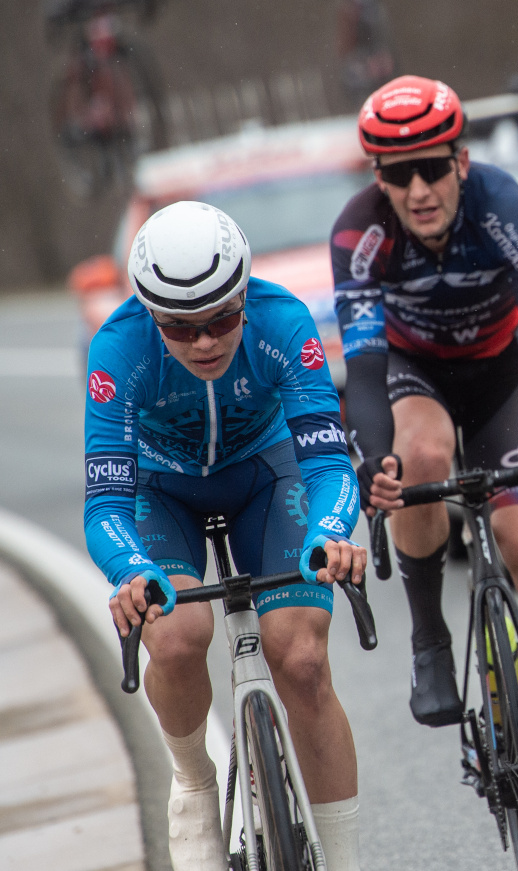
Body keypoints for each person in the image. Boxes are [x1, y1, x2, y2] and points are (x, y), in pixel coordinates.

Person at [330, 74, 518, 862]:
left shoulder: (502, 204)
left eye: (431, 168)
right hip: (413, 379)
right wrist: (373, 457)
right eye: (397, 175)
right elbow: (361, 372)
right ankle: (428, 633)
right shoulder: (359, 232)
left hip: (501, 379)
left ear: (461, 161)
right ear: (377, 179)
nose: (418, 190)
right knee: (417, 455)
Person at [87, 201, 368, 871]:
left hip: (265, 477)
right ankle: (193, 783)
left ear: (243, 296)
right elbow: (105, 503)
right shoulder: (118, 349)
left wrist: (332, 533)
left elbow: (329, 464)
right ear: (150, 315)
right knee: (179, 637)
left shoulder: (282, 320)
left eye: (220, 319)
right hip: (164, 490)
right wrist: (131, 571)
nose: (205, 341)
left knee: (300, 657)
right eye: (181, 329)